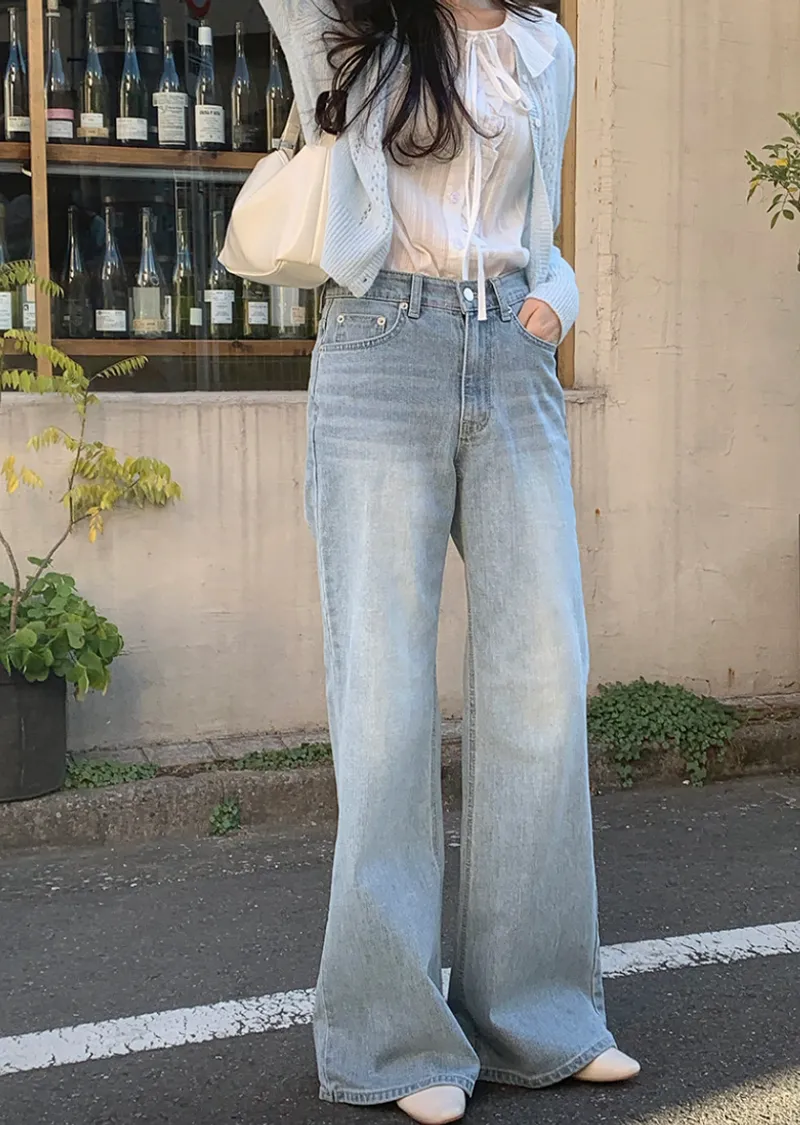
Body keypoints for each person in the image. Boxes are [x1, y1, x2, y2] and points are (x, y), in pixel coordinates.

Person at [257, 1, 640, 1121]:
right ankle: (393, 1042)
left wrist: (554, 301)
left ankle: (538, 1017)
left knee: (540, 684)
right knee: (384, 697)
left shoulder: (544, 48)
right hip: (381, 349)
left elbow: (541, 226)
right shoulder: (352, 27)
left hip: (512, 359)